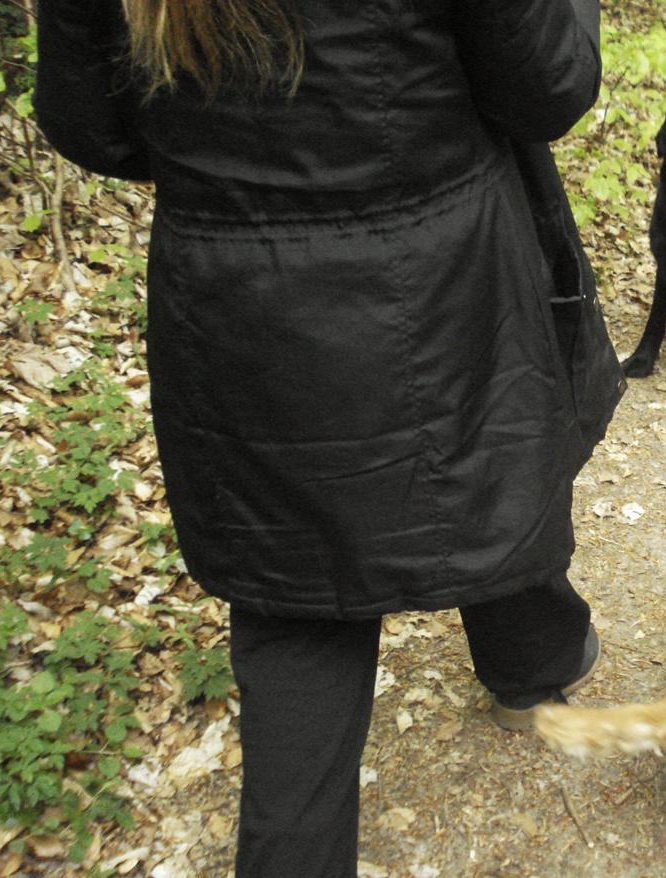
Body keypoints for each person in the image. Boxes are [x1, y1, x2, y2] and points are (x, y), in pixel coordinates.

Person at [35, 1, 624, 875]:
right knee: (484, 468)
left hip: (242, 310)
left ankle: (533, 658)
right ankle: (533, 667)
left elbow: (96, 128)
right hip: (441, 270)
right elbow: (548, 86)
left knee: (293, 595)